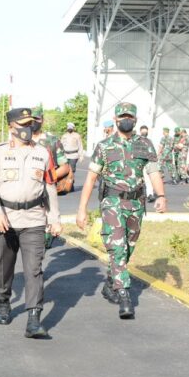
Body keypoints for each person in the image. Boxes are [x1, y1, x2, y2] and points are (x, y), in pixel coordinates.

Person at [76, 102, 167, 319]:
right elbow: (90, 179)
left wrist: (161, 196)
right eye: (122, 116)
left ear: (135, 120)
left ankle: (111, 281)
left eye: (130, 116)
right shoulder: (104, 146)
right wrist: (82, 209)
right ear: (115, 119)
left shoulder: (145, 144)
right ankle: (124, 294)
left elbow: (154, 172)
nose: (126, 119)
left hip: (136, 204)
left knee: (128, 246)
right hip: (112, 202)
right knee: (116, 246)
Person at [0, 107, 62, 338]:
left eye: (30, 124)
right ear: (11, 127)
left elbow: (50, 186)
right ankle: (3, 302)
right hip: (5, 218)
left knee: (34, 270)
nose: (27, 129)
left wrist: (54, 218)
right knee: (4, 266)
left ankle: (33, 318)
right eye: (23, 124)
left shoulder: (43, 153)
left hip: (34, 219)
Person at [31, 106, 70, 249]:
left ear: (42, 120)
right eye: (31, 119)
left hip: (47, 191)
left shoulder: (52, 141)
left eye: (37, 119)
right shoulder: (21, 140)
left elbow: (65, 166)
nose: (34, 122)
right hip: (26, 192)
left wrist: (48, 176)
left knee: (45, 239)